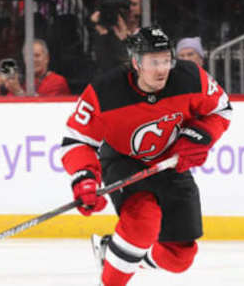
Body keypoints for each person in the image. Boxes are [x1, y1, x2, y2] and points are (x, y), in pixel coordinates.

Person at [60, 25, 232, 285]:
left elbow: (221, 109)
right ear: (136, 62)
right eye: (154, 61)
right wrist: (84, 177)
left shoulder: (191, 78)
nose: (162, 69)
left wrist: (198, 137)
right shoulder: (105, 91)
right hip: (124, 161)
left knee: (179, 258)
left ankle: (114, 250)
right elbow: (77, 140)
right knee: (142, 222)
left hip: (170, 163)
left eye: (166, 60)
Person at [88, 0, 141, 74]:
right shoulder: (109, 33)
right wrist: (100, 31)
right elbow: (103, 66)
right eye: (124, 5)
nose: (129, 9)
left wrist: (124, 40)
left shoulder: (147, 30)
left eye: (134, 4)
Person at [0, 39, 70, 96]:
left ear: (47, 58)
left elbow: (45, 110)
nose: (33, 60)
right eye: (29, 56)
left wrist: (18, 92)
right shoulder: (22, 82)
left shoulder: (57, 81)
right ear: (24, 60)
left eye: (37, 55)